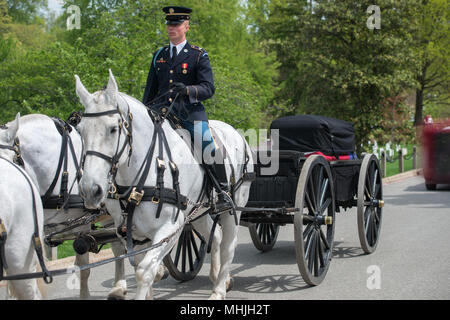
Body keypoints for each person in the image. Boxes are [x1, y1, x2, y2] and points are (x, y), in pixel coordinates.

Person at [142, 6, 232, 206]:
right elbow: (149, 93)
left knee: (207, 142)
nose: (171, 28)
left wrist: (189, 90)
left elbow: (209, 88)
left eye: (176, 24)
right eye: (169, 24)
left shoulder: (198, 55)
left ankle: (223, 191)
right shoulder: (159, 55)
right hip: (162, 112)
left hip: (189, 113)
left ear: (186, 27)